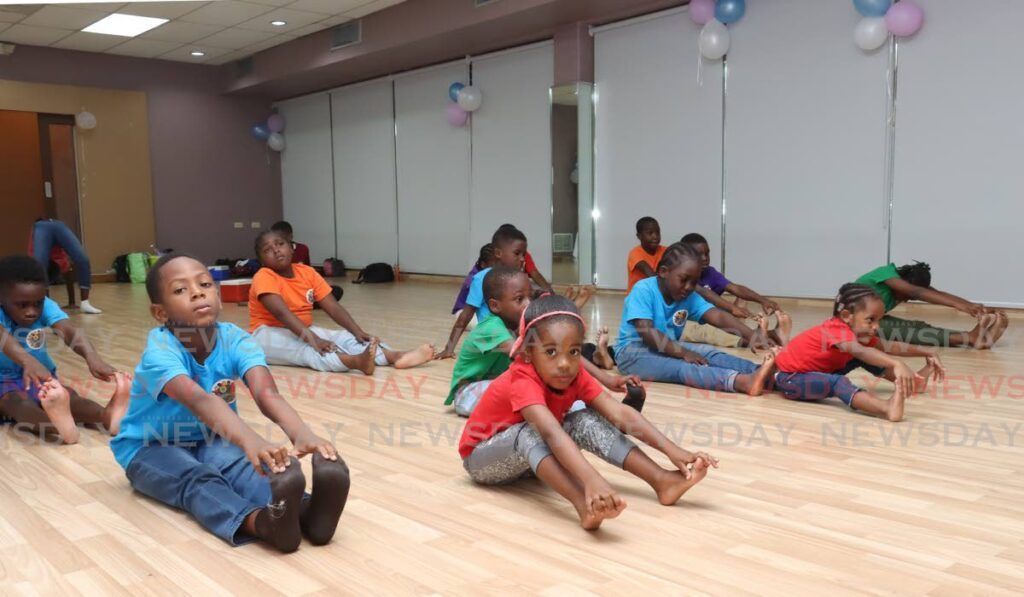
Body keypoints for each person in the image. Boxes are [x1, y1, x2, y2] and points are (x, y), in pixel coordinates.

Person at [110, 254, 350, 551]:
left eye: (205, 284)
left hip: (211, 438)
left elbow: (266, 393)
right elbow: (198, 399)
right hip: (150, 448)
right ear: (160, 313)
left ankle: (308, 512)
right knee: (198, 479)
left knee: (246, 468)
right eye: (180, 290)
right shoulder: (159, 350)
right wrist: (251, 439)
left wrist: (300, 432)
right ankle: (261, 523)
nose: (197, 292)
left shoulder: (236, 339)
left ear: (219, 296)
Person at [458, 295, 718, 530]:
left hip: (529, 462)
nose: (564, 363)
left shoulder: (574, 374)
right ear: (528, 353)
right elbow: (549, 433)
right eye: (551, 352)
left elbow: (620, 413)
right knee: (531, 431)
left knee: (584, 418)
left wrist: (674, 451)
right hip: (483, 461)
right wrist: (592, 480)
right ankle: (584, 503)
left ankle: (662, 481)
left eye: (573, 352)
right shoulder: (521, 378)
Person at [447, 267, 645, 417]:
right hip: (469, 394)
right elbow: (536, 356)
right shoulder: (490, 328)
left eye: (529, 297)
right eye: (519, 299)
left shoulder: (521, 325)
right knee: (543, 385)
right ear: (494, 305)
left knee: (555, 375)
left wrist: (608, 380)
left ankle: (602, 412)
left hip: (499, 386)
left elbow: (562, 352)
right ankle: (593, 412)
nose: (528, 304)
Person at [249, 231, 433, 374]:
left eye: (280, 244)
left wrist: (357, 331)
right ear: (262, 261)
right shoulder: (264, 276)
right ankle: (356, 362)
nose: (275, 250)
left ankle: (395, 356)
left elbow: (333, 307)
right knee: (311, 349)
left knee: (345, 337)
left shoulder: (307, 272)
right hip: (265, 334)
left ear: (291, 247)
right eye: (267, 250)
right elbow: (283, 314)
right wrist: (315, 339)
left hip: (300, 328)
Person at [613, 243, 778, 395]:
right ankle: (741, 382)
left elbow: (718, 316)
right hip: (632, 353)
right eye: (684, 280)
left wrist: (751, 336)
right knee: (686, 366)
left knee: (709, 352)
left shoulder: (688, 295)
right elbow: (647, 332)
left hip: (667, 346)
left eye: (693, 283)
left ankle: (766, 374)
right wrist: (684, 353)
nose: (688, 287)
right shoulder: (643, 290)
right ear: (663, 272)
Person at [0, 256, 129, 444]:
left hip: (41, 376)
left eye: (38, 303)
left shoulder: (46, 305)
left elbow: (68, 331)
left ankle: (107, 416)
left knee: (70, 397)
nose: (32, 311)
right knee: (18, 404)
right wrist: (28, 361)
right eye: (22, 305)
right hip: (4, 381)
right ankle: (59, 425)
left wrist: (92, 357)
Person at [773, 283, 945, 422]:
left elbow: (887, 346)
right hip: (791, 380)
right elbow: (860, 351)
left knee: (867, 356)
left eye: (879, 320)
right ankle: (885, 408)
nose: (876, 326)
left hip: (819, 372)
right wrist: (896, 363)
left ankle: (914, 383)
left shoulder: (858, 334)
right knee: (839, 381)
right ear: (847, 315)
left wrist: (926, 351)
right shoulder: (835, 328)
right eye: (871, 320)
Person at [855, 261, 1008, 349]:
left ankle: (972, 337)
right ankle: (971, 339)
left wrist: (972, 306)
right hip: (853, 322)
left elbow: (935, 294)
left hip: (871, 320)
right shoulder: (885, 274)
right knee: (903, 331)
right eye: (906, 297)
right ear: (903, 281)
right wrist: (961, 307)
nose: (907, 300)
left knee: (917, 326)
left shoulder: (906, 285)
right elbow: (915, 292)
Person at [678, 232, 792, 348]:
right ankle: (760, 338)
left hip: (713, 316)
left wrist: (763, 300)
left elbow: (734, 288)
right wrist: (733, 308)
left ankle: (764, 335)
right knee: (709, 332)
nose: (705, 258)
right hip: (692, 321)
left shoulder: (709, 272)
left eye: (707, 254)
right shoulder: (683, 277)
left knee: (733, 308)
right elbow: (704, 293)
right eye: (699, 255)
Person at [30, 219, 101, 314]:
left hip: (59, 225)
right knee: (40, 264)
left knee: (83, 259)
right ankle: (45, 305)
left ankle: (85, 303)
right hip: (41, 226)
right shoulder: (38, 229)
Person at [451, 243, 495, 315]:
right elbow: (471, 308)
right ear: (483, 264)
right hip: (464, 311)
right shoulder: (476, 279)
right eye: (493, 266)